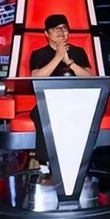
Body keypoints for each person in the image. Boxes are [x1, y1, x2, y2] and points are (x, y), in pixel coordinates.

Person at [29, 14, 91, 172]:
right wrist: (58, 57)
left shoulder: (78, 52)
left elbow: (89, 77)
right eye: (56, 29)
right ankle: (44, 165)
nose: (61, 32)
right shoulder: (38, 54)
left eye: (64, 28)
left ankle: (79, 165)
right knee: (40, 113)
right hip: (48, 101)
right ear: (46, 33)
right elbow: (35, 77)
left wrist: (69, 62)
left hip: (76, 100)